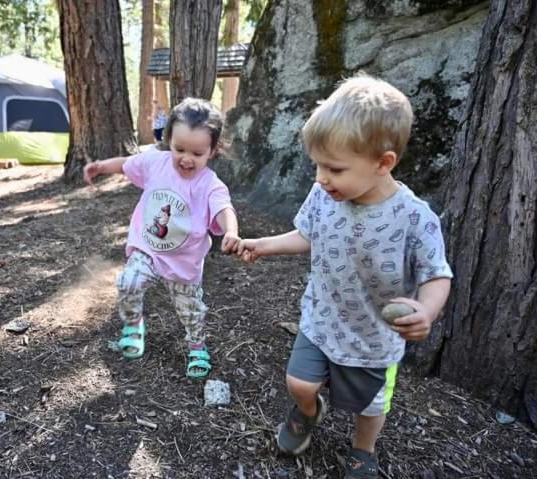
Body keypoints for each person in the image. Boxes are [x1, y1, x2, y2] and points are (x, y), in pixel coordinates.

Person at [236, 73, 453, 478]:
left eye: (333, 168)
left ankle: (363, 450)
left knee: (370, 407)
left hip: (374, 337)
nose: (320, 178)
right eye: (318, 164)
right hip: (322, 318)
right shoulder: (325, 194)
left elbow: (437, 274)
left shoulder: (414, 218)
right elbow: (307, 235)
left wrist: (426, 311)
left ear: (382, 162)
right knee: (299, 384)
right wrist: (263, 245)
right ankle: (307, 411)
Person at [84, 97, 240, 379]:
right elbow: (129, 164)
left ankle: (197, 346)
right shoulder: (156, 163)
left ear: (213, 150)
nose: (186, 158)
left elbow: (223, 208)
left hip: (184, 263)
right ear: (168, 139)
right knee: (128, 281)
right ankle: (133, 325)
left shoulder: (209, 185)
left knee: (190, 310)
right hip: (149, 250)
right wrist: (101, 166)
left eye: (197, 153)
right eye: (179, 149)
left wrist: (230, 231)